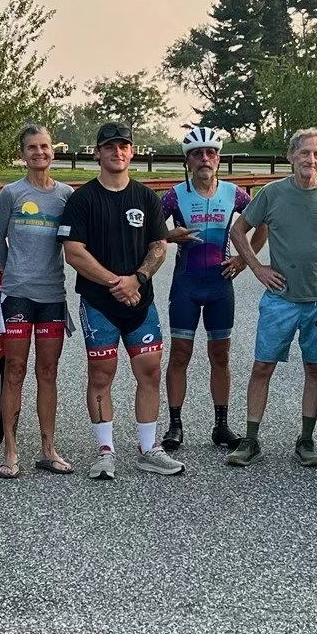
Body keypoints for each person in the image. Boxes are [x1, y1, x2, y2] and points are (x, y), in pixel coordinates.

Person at [59, 121, 183, 478]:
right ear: (97, 153)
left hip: (140, 302)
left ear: (132, 151)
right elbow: (74, 252)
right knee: (101, 374)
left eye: (124, 146)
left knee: (150, 370)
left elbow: (159, 246)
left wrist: (137, 279)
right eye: (110, 146)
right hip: (100, 303)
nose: (117, 152)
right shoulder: (82, 199)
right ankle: (105, 451)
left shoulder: (146, 197)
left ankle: (148, 448)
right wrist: (117, 283)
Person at [224, 127, 317, 468]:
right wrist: (257, 268)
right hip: (280, 298)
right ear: (291, 156)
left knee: (315, 368)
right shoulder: (272, 193)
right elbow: (238, 230)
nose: (311, 159)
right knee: (262, 366)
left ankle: (306, 439)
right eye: (304, 152)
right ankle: (251, 439)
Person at [0, 122, 74, 478]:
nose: (39, 152)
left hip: (52, 294)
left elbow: (74, 242)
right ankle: (10, 450)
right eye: (32, 147)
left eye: (44, 146)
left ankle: (48, 449)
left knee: (48, 371)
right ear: (22, 154)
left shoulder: (66, 195)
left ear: (53, 150)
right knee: (15, 370)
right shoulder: (11, 193)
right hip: (18, 295)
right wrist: (13, 272)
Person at [160, 126, 250, 451]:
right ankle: (175, 425)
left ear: (219, 159)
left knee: (220, 356)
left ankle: (221, 426)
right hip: (186, 284)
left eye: (210, 152)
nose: (204, 158)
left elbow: (263, 220)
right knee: (179, 354)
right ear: (188, 161)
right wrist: (169, 236)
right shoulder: (174, 195)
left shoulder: (234, 193)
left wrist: (244, 259)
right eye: (197, 154)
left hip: (220, 285)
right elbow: (148, 231)